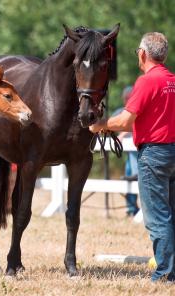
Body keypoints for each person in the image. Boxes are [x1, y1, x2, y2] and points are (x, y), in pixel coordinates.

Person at [89, 32, 175, 282]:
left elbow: (126, 119)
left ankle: (165, 273)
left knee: (158, 217)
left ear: (143, 53)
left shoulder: (147, 81)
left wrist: (100, 125)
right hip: (172, 152)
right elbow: (140, 122)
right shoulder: (172, 80)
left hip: (154, 155)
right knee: (171, 213)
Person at [113, 86, 139, 217]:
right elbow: (113, 124)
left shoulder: (137, 109)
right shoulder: (120, 111)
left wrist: (122, 134)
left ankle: (135, 209)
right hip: (129, 153)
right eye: (126, 98)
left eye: (129, 97)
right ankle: (131, 209)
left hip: (138, 150)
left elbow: (135, 123)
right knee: (129, 177)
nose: (127, 100)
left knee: (134, 176)